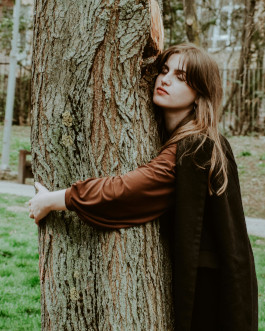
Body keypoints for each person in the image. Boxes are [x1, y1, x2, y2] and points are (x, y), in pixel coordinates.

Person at [28, 43, 258, 330]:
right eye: (164, 70)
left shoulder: (195, 147)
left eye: (181, 77)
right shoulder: (188, 140)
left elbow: (127, 189)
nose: (165, 79)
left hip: (211, 296)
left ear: (199, 93)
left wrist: (55, 199)